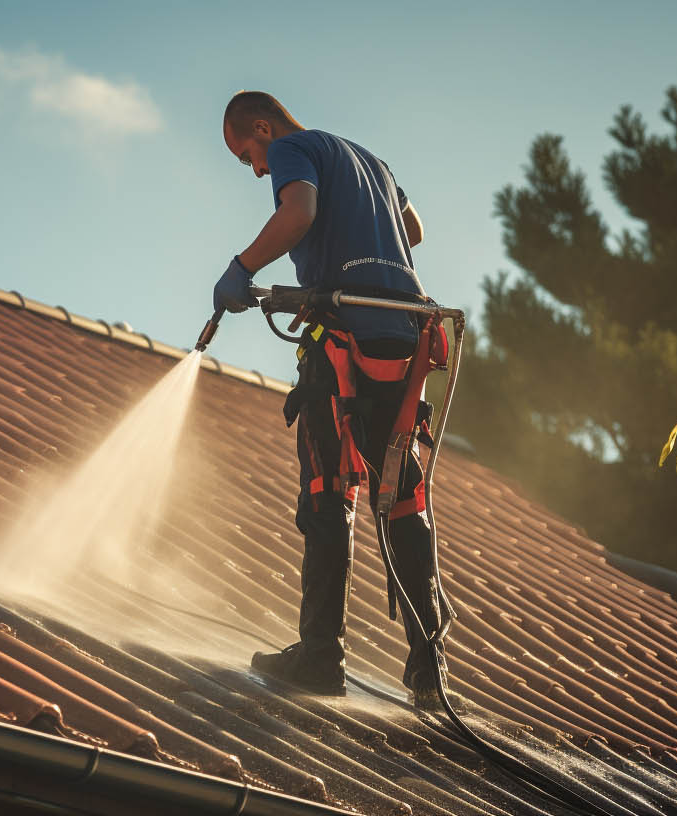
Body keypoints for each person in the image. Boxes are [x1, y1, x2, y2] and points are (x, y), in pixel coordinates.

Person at [214, 91, 445, 700]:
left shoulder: (294, 148)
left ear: (262, 128)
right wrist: (368, 255)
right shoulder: (370, 161)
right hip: (402, 332)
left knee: (327, 488)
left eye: (248, 157)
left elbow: (300, 212)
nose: (259, 170)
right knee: (400, 492)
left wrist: (243, 267)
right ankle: (428, 668)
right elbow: (412, 231)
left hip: (344, 338)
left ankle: (320, 657)